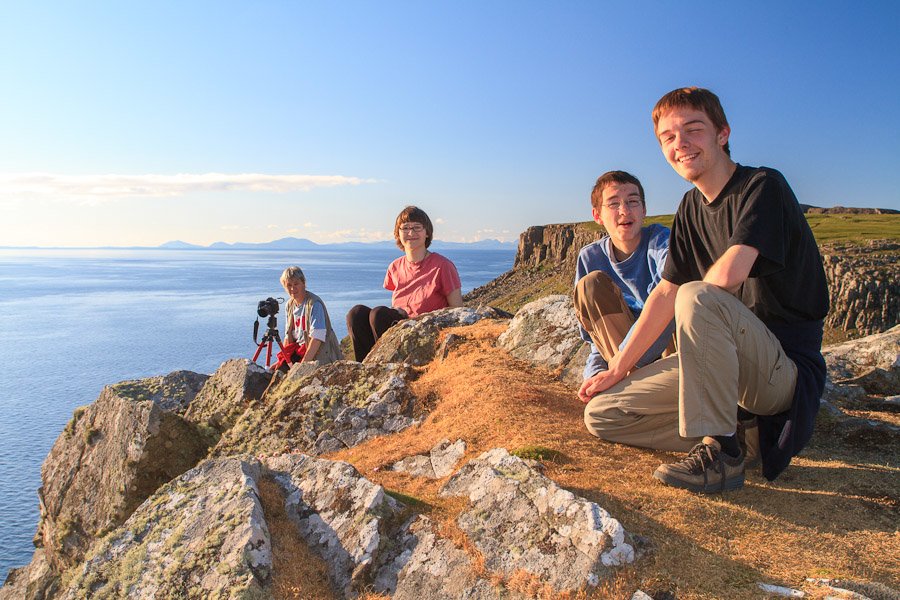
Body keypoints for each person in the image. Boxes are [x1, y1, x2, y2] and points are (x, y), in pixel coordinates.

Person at [580, 87, 828, 493]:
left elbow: (728, 275)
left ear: (722, 133)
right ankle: (744, 436)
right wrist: (617, 369)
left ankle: (723, 452)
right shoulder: (691, 207)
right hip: (719, 363)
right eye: (668, 137)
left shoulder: (763, 187)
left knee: (698, 294)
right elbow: (663, 293)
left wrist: (686, 327)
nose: (681, 145)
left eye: (693, 129)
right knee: (604, 414)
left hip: (781, 369)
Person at [574, 170, 684, 450]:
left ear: (644, 210)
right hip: (622, 357)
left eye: (633, 201)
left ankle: (626, 391)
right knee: (590, 286)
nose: (625, 210)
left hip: (668, 347)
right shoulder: (590, 257)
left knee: (679, 294)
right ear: (597, 215)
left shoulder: (661, 242)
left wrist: (617, 369)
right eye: (613, 203)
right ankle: (628, 392)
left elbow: (667, 303)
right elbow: (597, 341)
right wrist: (593, 378)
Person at [347, 206, 463, 361]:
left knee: (378, 314)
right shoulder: (395, 267)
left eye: (417, 227)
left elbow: (457, 311)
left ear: (427, 232)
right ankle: (365, 366)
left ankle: (385, 362)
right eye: (405, 228)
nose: (411, 233)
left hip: (423, 332)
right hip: (400, 326)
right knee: (357, 313)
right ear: (398, 233)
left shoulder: (443, 266)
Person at [275, 266, 342, 370]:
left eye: (296, 284)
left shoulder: (314, 304)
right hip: (299, 351)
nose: (292, 288)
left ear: (303, 283)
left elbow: (317, 338)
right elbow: (288, 336)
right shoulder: (290, 305)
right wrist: (282, 361)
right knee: (275, 371)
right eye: (289, 285)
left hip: (320, 356)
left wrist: (302, 367)